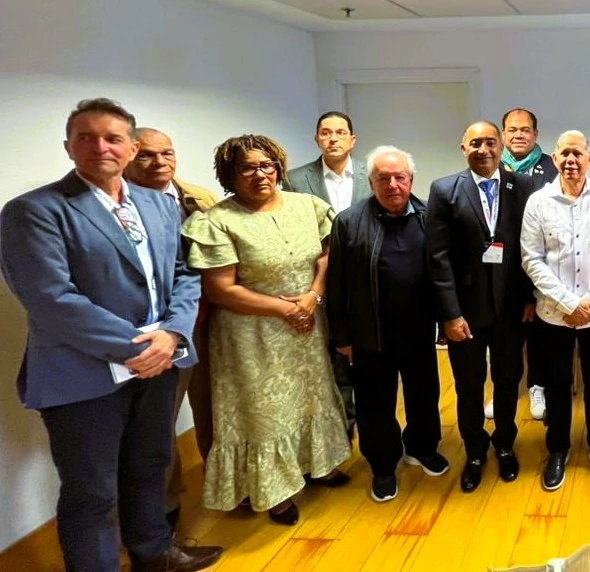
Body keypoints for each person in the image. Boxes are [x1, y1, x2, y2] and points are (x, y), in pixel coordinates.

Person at [0, 98, 222, 572]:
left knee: (150, 467)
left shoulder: (158, 204)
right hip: (83, 375)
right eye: (86, 137)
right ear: (68, 146)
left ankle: (153, 555)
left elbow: (185, 273)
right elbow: (51, 299)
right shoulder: (33, 211)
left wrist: (173, 335)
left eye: (112, 138)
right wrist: (141, 347)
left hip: (159, 365)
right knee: (92, 492)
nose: (100, 147)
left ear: (131, 147)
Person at [182, 134, 352, 526]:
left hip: (307, 325)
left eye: (267, 165)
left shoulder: (308, 206)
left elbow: (327, 257)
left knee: (311, 398)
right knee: (265, 412)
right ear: (230, 174)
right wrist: (286, 308)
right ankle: (274, 491)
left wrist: (312, 296)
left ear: (278, 168)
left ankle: (318, 465)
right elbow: (221, 289)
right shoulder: (217, 221)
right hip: (251, 334)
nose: (260, 174)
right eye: (247, 168)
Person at [326, 145, 450, 503]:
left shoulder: (429, 217)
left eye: (400, 177)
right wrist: (342, 336)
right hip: (370, 333)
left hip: (419, 330)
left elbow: (443, 272)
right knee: (374, 405)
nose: (393, 185)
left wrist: (446, 319)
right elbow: (336, 285)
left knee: (424, 395)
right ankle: (383, 466)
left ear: (411, 180)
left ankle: (422, 448)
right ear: (371, 183)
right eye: (384, 178)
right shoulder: (348, 222)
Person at [427, 120, 535, 493]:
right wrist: (449, 314)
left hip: (511, 309)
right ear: (464, 148)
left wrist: (529, 298)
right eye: (475, 143)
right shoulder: (444, 190)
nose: (483, 150)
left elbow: (531, 248)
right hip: (465, 314)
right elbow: (437, 258)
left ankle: (505, 444)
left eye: (490, 142)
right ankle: (474, 452)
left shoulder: (523, 186)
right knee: (469, 386)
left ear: (501, 146)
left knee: (508, 380)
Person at [521, 130, 590, 491]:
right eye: (564, 153)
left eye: (577, 153)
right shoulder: (538, 202)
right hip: (554, 315)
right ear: (554, 159)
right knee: (556, 383)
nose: (571, 160)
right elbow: (531, 259)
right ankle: (558, 449)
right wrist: (569, 303)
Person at [124, 126, 220, 529]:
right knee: (158, 427)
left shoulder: (198, 199)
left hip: (206, 323)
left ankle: (224, 481)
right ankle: (164, 512)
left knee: (216, 407)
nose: (159, 163)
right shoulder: (115, 207)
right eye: (146, 155)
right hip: (153, 337)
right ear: (128, 156)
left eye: (167, 153)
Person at [283, 111, 373, 437]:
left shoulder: (371, 174)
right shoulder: (294, 180)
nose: (333, 138)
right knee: (330, 358)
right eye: (325, 132)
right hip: (317, 280)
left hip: (364, 282)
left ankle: (372, 425)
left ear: (352, 139)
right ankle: (340, 430)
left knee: (367, 357)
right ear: (317, 138)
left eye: (340, 132)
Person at [483, 107, 559, 421]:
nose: (518, 135)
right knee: (504, 337)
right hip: (501, 268)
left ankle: (537, 386)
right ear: (504, 134)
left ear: (535, 134)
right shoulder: (490, 164)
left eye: (525, 130)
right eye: (512, 130)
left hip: (542, 264)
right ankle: (505, 389)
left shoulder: (552, 168)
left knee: (539, 334)